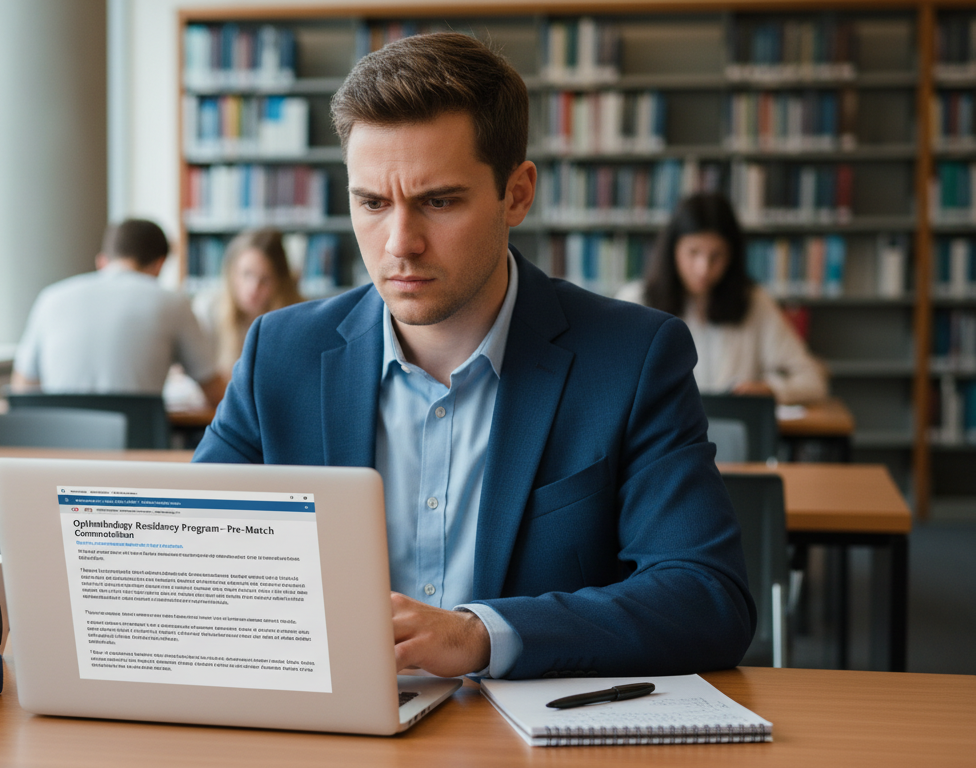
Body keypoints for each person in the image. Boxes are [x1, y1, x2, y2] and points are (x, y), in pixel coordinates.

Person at [193, 33, 753, 680]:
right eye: (371, 203)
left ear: (516, 194)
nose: (400, 243)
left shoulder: (631, 359)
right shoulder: (280, 354)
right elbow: (195, 569)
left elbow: (707, 598)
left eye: (439, 201)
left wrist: (480, 635)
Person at [615, 193, 829, 405]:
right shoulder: (635, 301)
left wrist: (770, 390)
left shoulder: (754, 302)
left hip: (730, 435)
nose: (703, 269)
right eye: (693, 252)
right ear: (673, 250)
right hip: (660, 437)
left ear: (732, 255)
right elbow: (608, 381)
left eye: (716, 256)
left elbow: (813, 380)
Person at [12, 219, 225, 405]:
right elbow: (215, 391)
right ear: (160, 264)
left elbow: (22, 388)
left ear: (103, 260)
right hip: (135, 444)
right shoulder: (173, 302)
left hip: (59, 443)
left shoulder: (51, 298)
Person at [194, 229, 305, 378]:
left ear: (280, 282)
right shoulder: (208, 310)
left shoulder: (299, 317)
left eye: (265, 279)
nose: (253, 289)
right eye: (246, 274)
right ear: (232, 273)